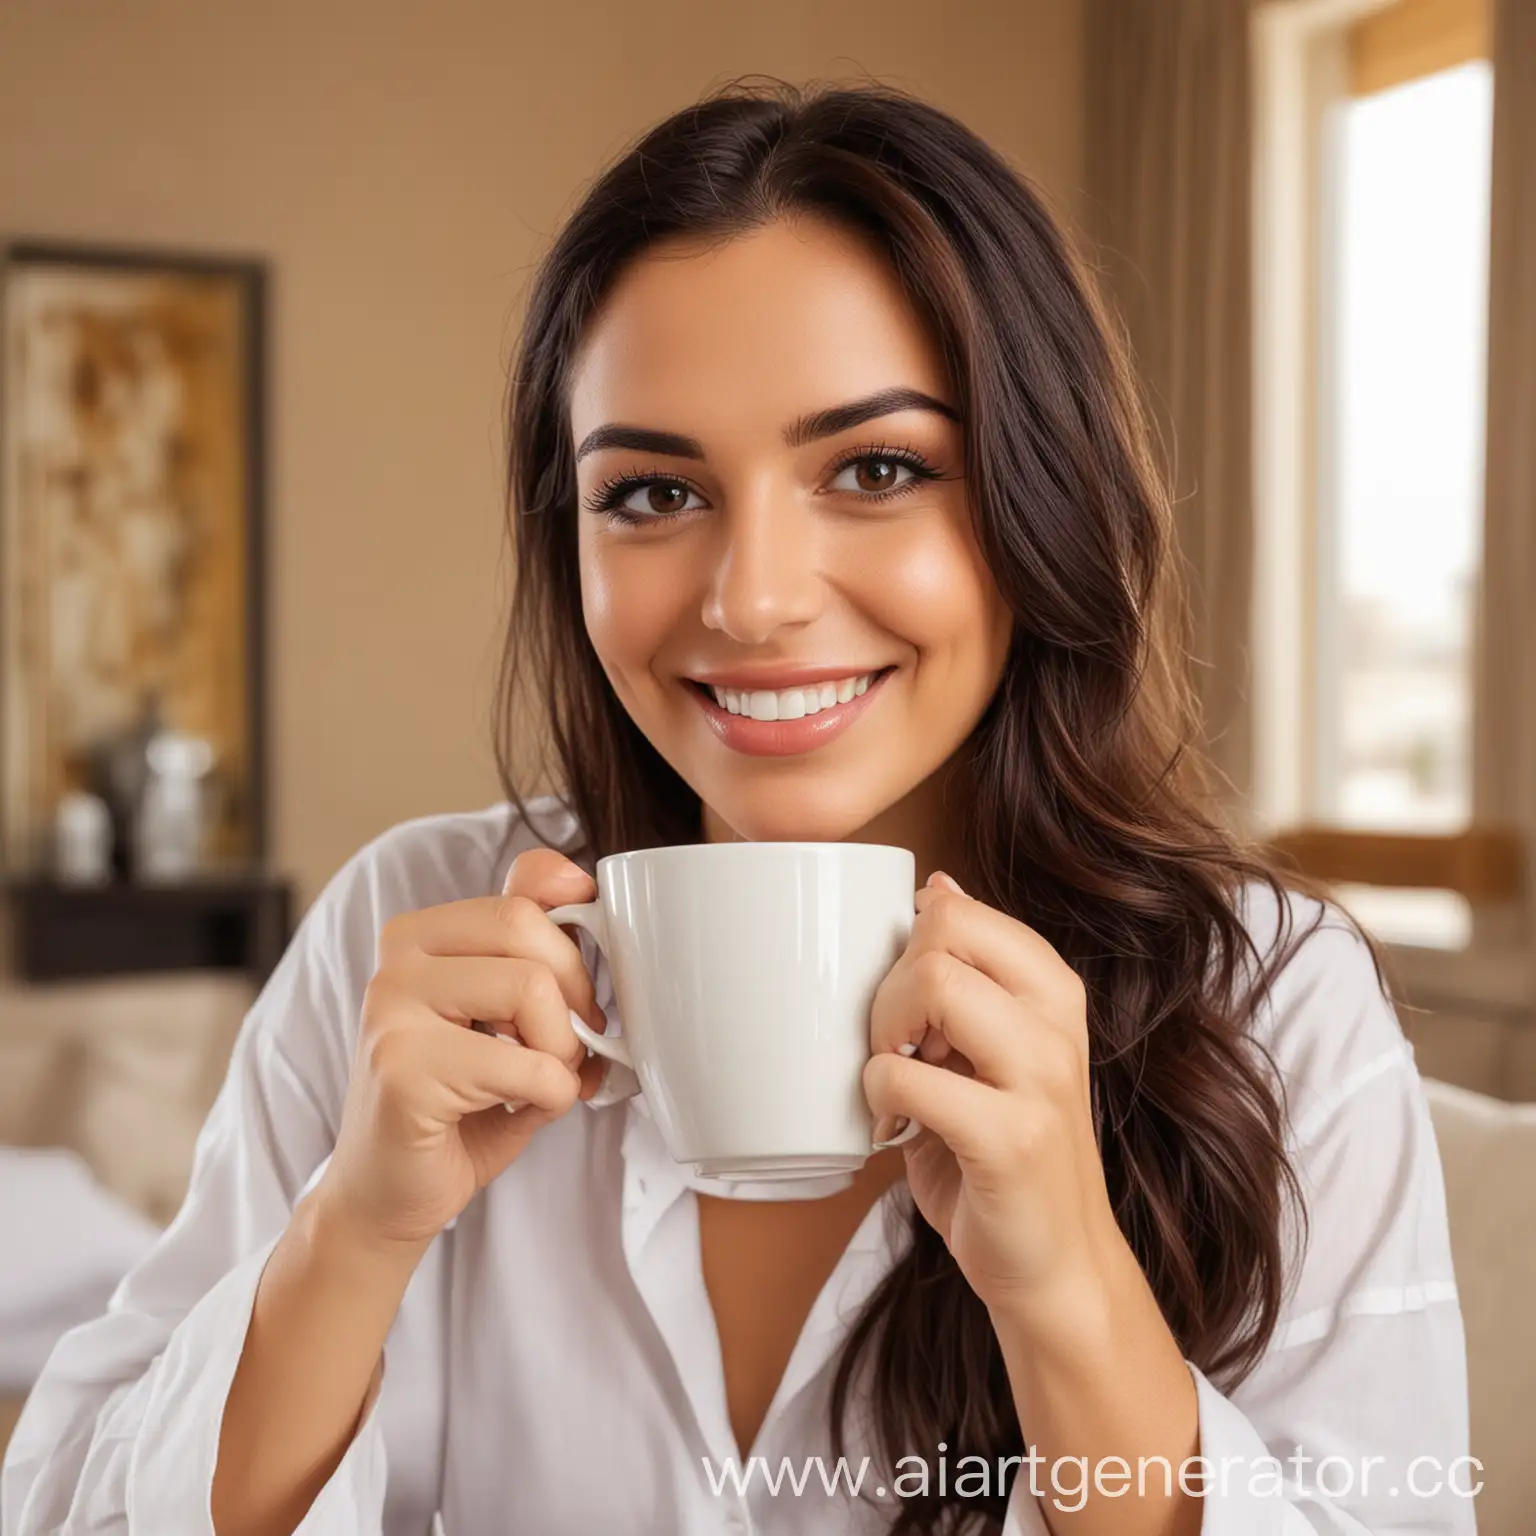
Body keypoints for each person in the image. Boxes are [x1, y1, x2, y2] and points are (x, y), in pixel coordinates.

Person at [2, 82, 1471, 1536]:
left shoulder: (1273, 1008)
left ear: (1042, 504)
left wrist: (1071, 1293)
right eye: (650, 493)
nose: (753, 598)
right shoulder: (404, 940)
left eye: (878, 469)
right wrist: (356, 1231)